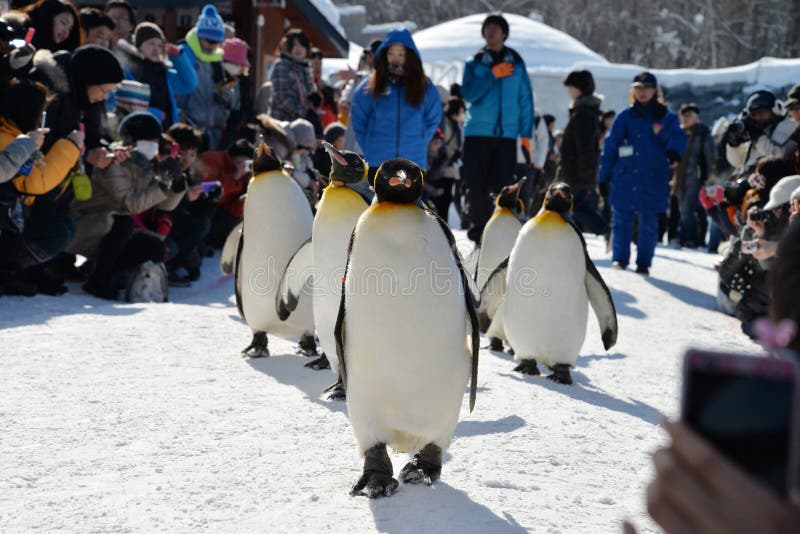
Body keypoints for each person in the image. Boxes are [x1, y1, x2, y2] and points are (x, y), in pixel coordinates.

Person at [69, 112, 185, 300]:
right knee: (123, 223)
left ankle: (104, 270)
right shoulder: (112, 162)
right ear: (130, 141)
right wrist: (163, 184)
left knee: (154, 247)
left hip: (108, 227)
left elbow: (164, 205)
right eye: (148, 141)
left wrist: (177, 183)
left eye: (155, 141)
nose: (153, 147)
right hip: (84, 223)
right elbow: (131, 204)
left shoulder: (144, 165)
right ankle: (99, 280)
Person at [598, 71, 687, 275]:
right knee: (621, 219)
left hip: (653, 177)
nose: (643, 92)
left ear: (655, 90)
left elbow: (678, 137)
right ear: (633, 91)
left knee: (649, 221)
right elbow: (610, 147)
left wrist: (673, 152)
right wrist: (603, 177)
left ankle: (644, 262)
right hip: (625, 177)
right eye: (638, 88)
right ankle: (619, 259)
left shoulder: (667, 117)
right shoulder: (625, 116)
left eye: (647, 88)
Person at [460, 13, 533, 242]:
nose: (490, 32)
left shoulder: (517, 64)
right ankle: (479, 229)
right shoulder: (474, 63)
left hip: (507, 136)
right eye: (487, 28)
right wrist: (492, 75)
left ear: (504, 33)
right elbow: (468, 94)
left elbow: (526, 100)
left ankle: (497, 230)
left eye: (495, 28)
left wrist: (526, 134)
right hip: (477, 133)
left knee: (502, 184)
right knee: (476, 183)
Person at [350, 28, 441, 184]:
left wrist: (421, 138)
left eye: (401, 54)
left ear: (410, 56)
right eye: (391, 53)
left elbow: (433, 117)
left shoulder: (424, 86)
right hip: (378, 163)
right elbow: (359, 119)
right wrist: (369, 144)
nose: (395, 58)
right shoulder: (371, 85)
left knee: (410, 208)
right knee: (380, 207)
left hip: (413, 162)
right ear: (384, 55)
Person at [176, 4, 235, 151]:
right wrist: (178, 113)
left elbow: (226, 96)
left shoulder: (216, 60)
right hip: (187, 126)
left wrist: (226, 93)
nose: (212, 46)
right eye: (208, 41)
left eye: (216, 42)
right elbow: (174, 88)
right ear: (199, 36)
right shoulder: (184, 53)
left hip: (211, 130)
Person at [117, 21, 198, 128]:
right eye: (151, 43)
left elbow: (189, 84)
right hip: (139, 130)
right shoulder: (129, 71)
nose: (156, 49)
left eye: (160, 45)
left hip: (165, 131)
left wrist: (178, 57)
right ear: (139, 45)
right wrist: (157, 114)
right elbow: (125, 104)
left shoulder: (164, 72)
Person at [557, 69, 606, 235]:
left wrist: (584, 171)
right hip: (577, 170)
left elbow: (584, 146)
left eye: (572, 87)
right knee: (574, 206)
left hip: (577, 172)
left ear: (581, 88)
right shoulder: (583, 110)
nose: (569, 91)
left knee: (576, 205)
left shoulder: (583, 113)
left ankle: (605, 229)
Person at [197, 137, 252, 249]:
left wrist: (248, 186)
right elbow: (205, 194)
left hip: (216, 212)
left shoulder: (242, 172)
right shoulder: (213, 161)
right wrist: (233, 178)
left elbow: (234, 212)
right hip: (198, 209)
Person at [672, 102, 714, 248]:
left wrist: (709, 177)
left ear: (697, 117)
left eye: (690, 115)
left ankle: (687, 238)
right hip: (680, 175)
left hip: (696, 175)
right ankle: (689, 237)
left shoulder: (702, 132)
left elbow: (710, 156)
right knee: (682, 207)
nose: (686, 119)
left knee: (688, 208)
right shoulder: (679, 133)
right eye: (683, 115)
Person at [726, 90, 796, 175]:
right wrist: (734, 145)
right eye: (753, 114)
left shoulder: (789, 125)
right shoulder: (758, 130)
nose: (757, 117)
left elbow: (777, 157)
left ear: (775, 110)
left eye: (761, 113)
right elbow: (738, 162)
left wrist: (758, 137)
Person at [269, 29, 315, 123]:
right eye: (294, 45)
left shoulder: (305, 68)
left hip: (301, 123)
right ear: (287, 47)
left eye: (302, 45)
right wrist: (303, 112)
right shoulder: (282, 65)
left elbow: (310, 93)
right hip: (282, 123)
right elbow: (280, 98)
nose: (298, 49)